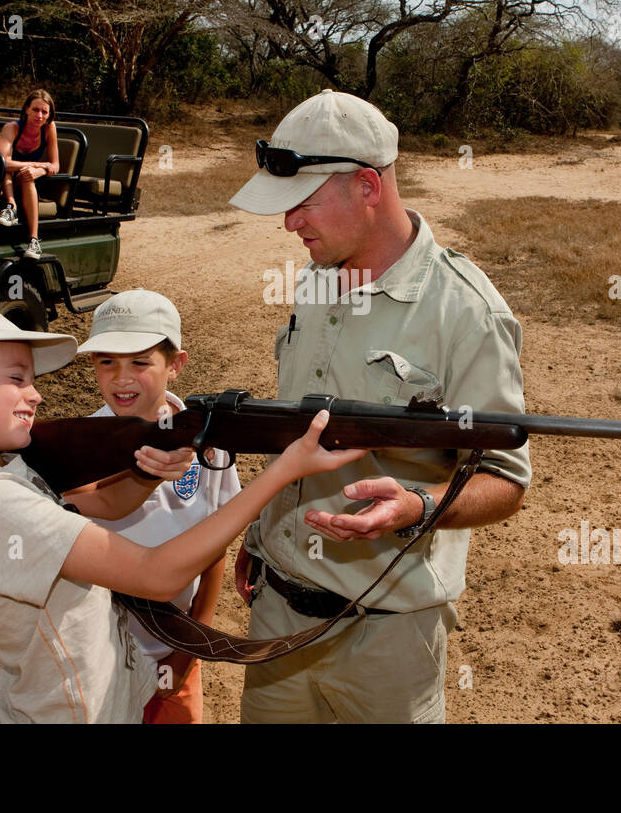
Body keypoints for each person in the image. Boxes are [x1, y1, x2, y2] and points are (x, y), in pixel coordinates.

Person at [0, 308, 362, 723]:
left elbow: (104, 504)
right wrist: (281, 472)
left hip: (90, 696)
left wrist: (149, 474)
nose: (35, 395)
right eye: (17, 379)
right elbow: (155, 575)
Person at [228, 89, 533, 723]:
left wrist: (418, 507)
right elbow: (298, 430)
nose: (289, 224)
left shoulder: (467, 313)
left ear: (368, 186)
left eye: (302, 204)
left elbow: (505, 483)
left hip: (387, 636)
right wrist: (261, 536)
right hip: (277, 614)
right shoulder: (315, 277)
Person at [68, 290, 241, 724]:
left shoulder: (209, 446)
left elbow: (214, 547)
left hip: (173, 643)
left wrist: (189, 650)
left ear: (176, 364)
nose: (121, 378)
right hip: (96, 653)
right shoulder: (76, 446)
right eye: (106, 361)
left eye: (140, 362)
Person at [0, 88, 60, 260]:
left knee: (27, 176)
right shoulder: (12, 128)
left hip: (27, 180)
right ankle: (11, 206)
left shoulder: (49, 128)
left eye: (44, 112)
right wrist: (36, 164)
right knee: (9, 166)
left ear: (49, 114)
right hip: (5, 178)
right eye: (36, 110)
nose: (39, 115)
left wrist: (38, 171)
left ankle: (34, 240)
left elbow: (55, 165)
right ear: (26, 109)